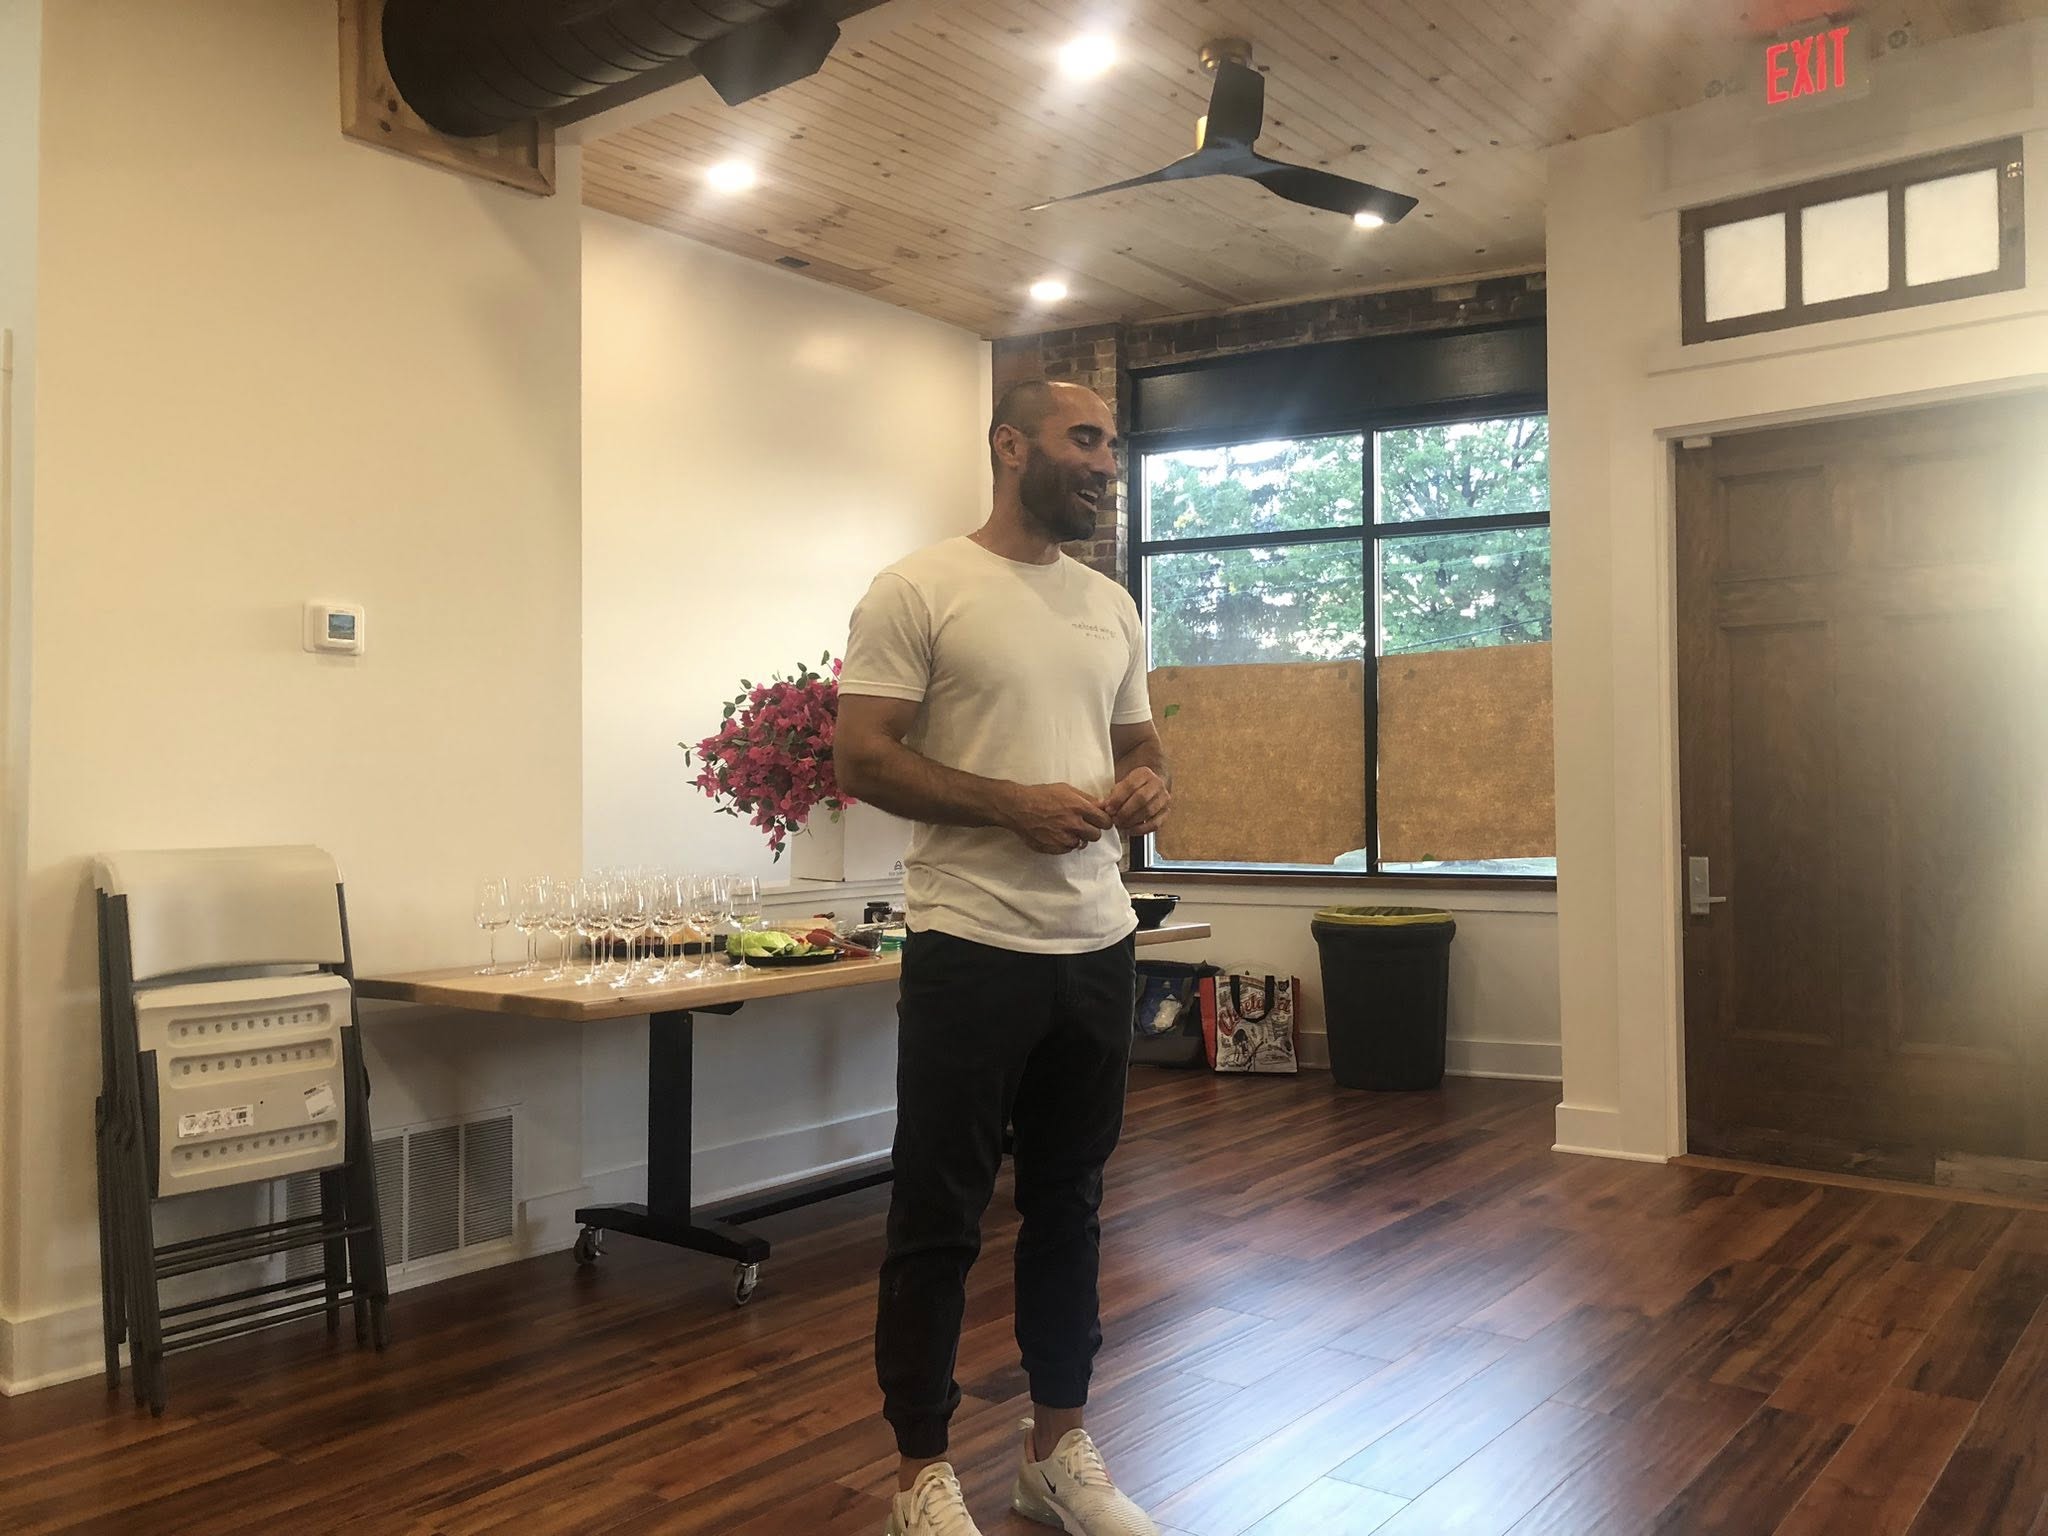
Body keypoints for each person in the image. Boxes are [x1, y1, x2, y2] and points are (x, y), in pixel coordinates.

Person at [835, 379, 1172, 1536]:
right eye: (1085, 439)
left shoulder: (1108, 605)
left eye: (1112, 445)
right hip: (968, 944)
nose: (1106, 463)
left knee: (1069, 1205)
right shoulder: (918, 588)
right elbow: (862, 757)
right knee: (937, 1214)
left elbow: (1141, 745)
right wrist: (1005, 805)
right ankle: (918, 1475)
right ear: (1009, 445)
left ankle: (1054, 1452)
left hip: (1096, 940)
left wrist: (1145, 785)